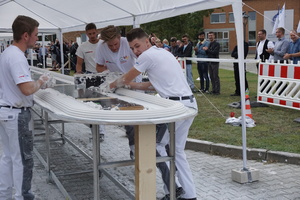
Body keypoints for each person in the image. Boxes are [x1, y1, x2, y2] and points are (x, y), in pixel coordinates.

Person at [110, 28, 198, 200]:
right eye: (132, 49)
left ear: (147, 42)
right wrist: (132, 86)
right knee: (177, 151)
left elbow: (125, 78)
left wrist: (109, 85)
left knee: (157, 146)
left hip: (175, 107)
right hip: (189, 104)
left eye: (137, 46)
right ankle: (189, 195)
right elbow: (153, 84)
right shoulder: (163, 53)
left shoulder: (147, 56)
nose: (136, 51)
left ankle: (174, 188)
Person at [0, 15, 51, 200]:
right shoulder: (16, 57)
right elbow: (27, 89)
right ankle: (22, 196)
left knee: (9, 157)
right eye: (36, 35)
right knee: (22, 159)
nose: (37, 39)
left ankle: (5, 195)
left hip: (6, 111)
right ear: (25, 35)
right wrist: (41, 81)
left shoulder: (7, 53)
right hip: (16, 114)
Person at [76, 23, 106, 141]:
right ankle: (95, 129)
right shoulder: (83, 47)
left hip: (103, 76)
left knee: (103, 103)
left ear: (97, 32)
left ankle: (101, 131)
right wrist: (79, 74)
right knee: (91, 104)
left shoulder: (103, 44)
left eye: (94, 33)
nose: (92, 36)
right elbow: (79, 64)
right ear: (86, 34)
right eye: (89, 34)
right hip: (89, 77)